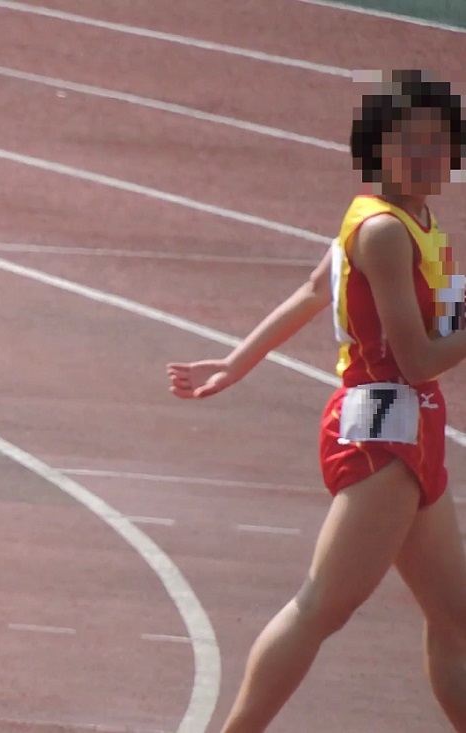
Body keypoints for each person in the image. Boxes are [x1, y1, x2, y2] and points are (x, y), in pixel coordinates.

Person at [167, 70, 465, 732]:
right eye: (407, 141)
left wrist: (235, 362)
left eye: (438, 142)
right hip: (383, 429)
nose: (425, 156)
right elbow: (416, 358)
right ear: (376, 147)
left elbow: (311, 290)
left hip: (414, 425)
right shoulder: (383, 230)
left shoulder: (412, 219)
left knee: (455, 619)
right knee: (322, 605)